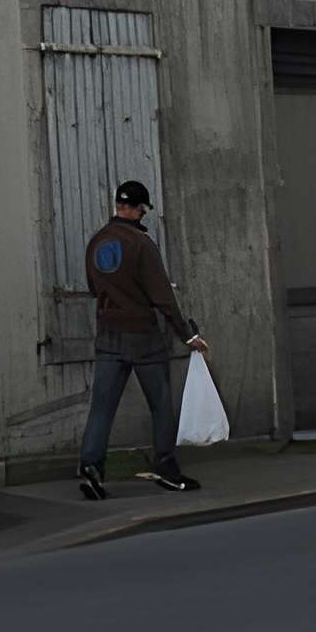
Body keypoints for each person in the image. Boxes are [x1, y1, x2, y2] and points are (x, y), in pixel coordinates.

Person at [77, 179, 207, 500]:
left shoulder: (96, 242)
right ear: (138, 209)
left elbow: (95, 289)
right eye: (143, 209)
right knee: (161, 406)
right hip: (143, 337)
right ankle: (166, 470)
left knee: (101, 409)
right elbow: (163, 297)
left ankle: (91, 469)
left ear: (117, 206)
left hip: (108, 334)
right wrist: (188, 334)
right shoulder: (142, 244)